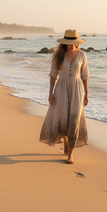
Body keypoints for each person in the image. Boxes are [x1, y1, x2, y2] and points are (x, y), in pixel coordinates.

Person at [39, 29, 89, 164]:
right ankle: (66, 145)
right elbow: (53, 75)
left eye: (73, 42)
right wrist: (50, 93)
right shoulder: (58, 55)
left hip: (77, 90)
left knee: (74, 119)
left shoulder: (82, 55)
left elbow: (85, 76)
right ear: (64, 42)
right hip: (61, 89)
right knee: (63, 119)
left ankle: (70, 154)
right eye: (68, 42)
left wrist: (87, 94)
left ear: (77, 42)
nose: (71, 45)